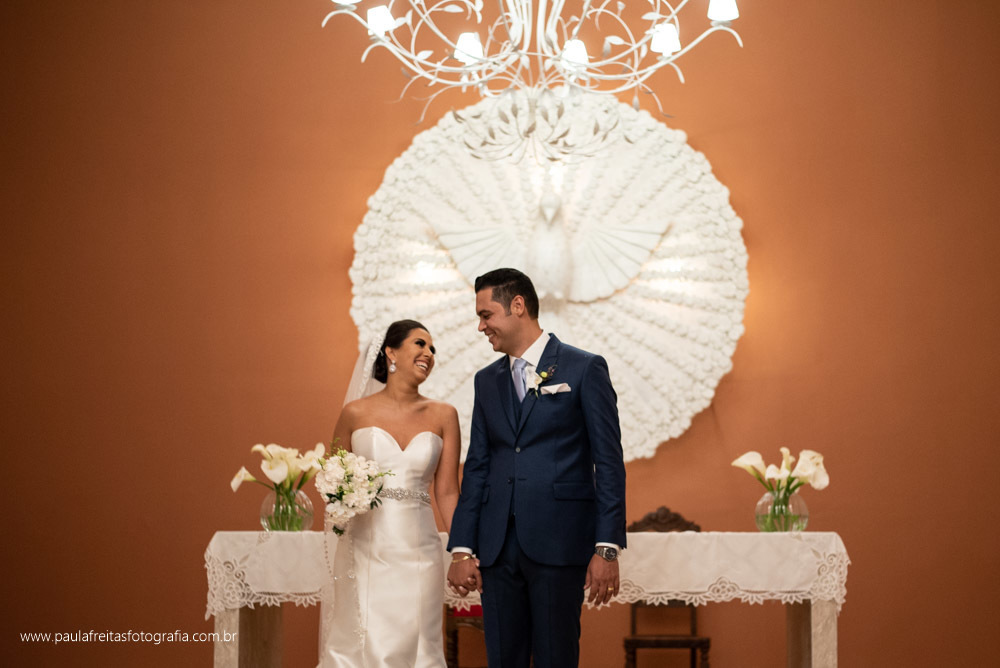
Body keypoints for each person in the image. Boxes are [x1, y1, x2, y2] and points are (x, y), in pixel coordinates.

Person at [447, 268, 627, 668]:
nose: (481, 327)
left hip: (560, 542)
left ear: (518, 306)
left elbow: (609, 462)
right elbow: (478, 466)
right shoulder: (485, 381)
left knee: (555, 658)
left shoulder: (584, 368)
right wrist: (462, 547)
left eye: (486, 315)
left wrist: (607, 548)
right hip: (496, 548)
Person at [319, 319, 461, 668]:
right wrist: (347, 491)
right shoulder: (355, 413)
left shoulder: (444, 415)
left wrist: (461, 552)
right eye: (420, 344)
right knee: (361, 639)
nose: (428, 353)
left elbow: (446, 491)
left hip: (421, 549)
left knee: (420, 644)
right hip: (365, 545)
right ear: (391, 352)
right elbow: (330, 475)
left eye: (432, 349)